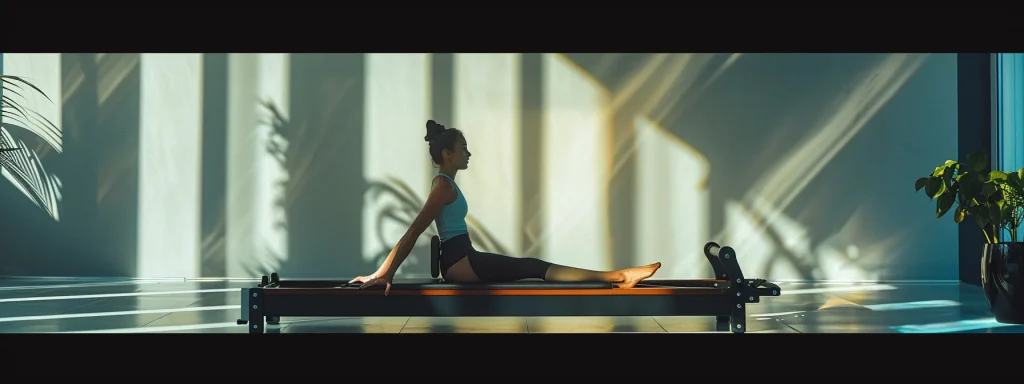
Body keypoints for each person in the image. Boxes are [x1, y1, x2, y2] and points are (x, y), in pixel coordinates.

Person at [349, 120, 662, 295]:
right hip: (460, 262)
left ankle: (619, 275)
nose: (469, 154)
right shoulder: (443, 185)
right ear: (447, 154)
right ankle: (620, 276)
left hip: (462, 258)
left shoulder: (447, 184)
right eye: (464, 149)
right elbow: (415, 229)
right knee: (532, 267)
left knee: (532, 266)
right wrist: (383, 273)